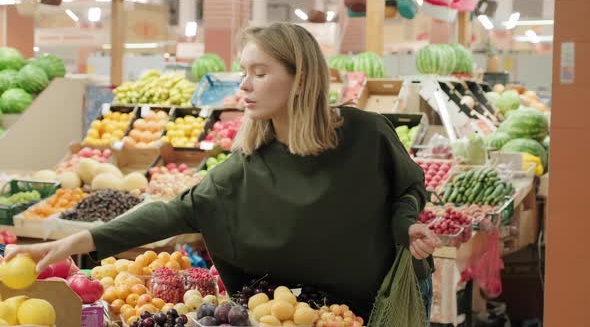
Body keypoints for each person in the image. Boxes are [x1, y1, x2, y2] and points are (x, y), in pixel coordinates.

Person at [5, 22, 440, 323]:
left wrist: (406, 225)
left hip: (385, 301)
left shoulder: (365, 133)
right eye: (243, 72)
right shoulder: (248, 164)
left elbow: (408, 188)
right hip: (306, 313)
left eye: (260, 72)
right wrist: (75, 241)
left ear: (301, 78)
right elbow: (175, 211)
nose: (244, 86)